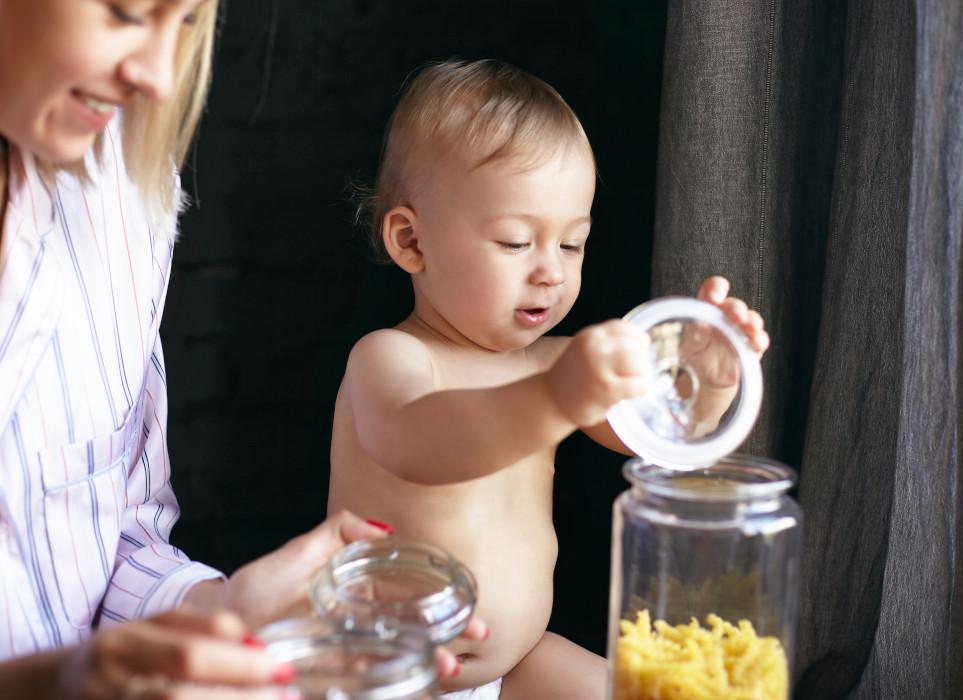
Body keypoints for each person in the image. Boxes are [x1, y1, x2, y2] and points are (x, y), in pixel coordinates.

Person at [0, 3, 482, 697]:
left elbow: (114, 545)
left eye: (189, 21)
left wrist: (229, 617)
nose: (160, 78)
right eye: (127, 12)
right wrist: (56, 683)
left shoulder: (120, 195)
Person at [328, 59, 770, 699]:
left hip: (514, 669)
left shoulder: (550, 365)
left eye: (572, 245)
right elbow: (422, 444)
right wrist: (556, 398)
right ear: (411, 242)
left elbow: (659, 436)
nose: (550, 273)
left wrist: (707, 381)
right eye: (515, 243)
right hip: (385, 680)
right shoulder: (390, 358)